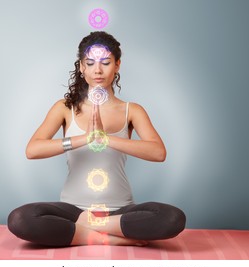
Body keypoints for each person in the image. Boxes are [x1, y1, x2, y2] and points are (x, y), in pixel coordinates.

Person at [8, 31, 186, 247]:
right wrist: (84, 138)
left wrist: (106, 139)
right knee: (20, 219)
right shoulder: (64, 108)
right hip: (73, 210)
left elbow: (158, 153)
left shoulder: (132, 111)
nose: (98, 70)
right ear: (82, 67)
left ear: (117, 65)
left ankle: (92, 227)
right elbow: (33, 150)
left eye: (106, 62)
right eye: (90, 63)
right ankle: (107, 238)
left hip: (119, 210)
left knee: (172, 218)